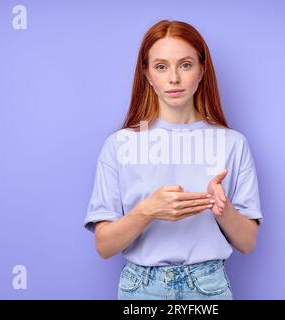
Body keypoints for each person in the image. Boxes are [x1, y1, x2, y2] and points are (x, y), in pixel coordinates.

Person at [84, 19, 263, 300]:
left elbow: (247, 242)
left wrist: (222, 208)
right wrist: (148, 211)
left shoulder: (233, 143)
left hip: (208, 289)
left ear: (202, 70)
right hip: (140, 289)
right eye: (161, 66)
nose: (174, 78)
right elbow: (104, 246)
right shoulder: (119, 145)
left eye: (186, 65)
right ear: (147, 74)